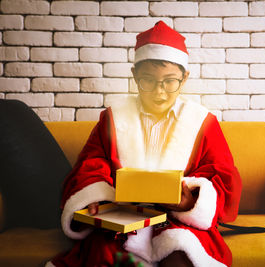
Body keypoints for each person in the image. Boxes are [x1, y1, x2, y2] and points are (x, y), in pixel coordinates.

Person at [48, 21, 242, 267]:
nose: (159, 92)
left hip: (176, 220)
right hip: (124, 216)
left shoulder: (203, 122)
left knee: (183, 255)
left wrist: (190, 201)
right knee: (107, 256)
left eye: (170, 81)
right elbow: (90, 164)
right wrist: (98, 198)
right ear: (134, 76)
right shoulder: (113, 118)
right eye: (148, 81)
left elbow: (221, 174)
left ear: (184, 79)